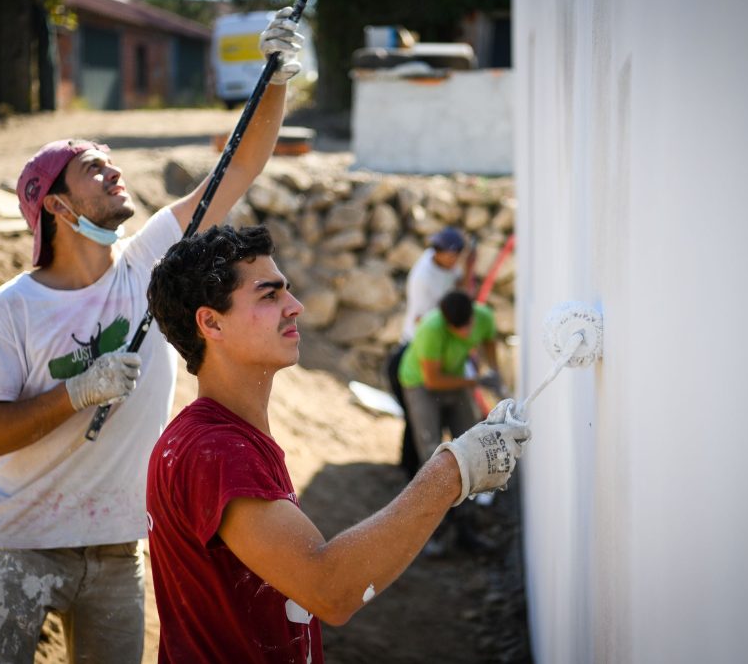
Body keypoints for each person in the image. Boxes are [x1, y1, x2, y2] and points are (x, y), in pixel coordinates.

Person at [0, 9, 304, 663]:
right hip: (21, 543)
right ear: (56, 206)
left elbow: (237, 169)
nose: (113, 168)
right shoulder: (14, 309)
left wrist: (276, 78)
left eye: (110, 160)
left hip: (119, 549)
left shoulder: (145, 264)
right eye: (92, 166)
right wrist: (76, 392)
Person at [144, 225, 531, 663]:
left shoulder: (222, 440)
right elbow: (329, 589)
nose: (295, 307)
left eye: (286, 291)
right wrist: (455, 470)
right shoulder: (213, 451)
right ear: (210, 321)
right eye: (269, 296)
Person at [397, 290, 504, 554]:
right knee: (431, 455)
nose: (467, 332)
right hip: (420, 385)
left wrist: (493, 370)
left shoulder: (483, 317)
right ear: (447, 324)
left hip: (455, 381)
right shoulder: (431, 329)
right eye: (459, 329)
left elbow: (489, 341)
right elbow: (433, 381)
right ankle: (435, 531)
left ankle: (466, 529)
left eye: (469, 325)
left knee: (470, 447)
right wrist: (476, 382)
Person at [387, 226, 470, 477]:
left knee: (419, 420)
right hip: (416, 349)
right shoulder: (424, 278)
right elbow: (424, 321)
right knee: (419, 420)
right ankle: (412, 473)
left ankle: (411, 471)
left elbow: (456, 282)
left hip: (426, 348)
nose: (454, 260)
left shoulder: (447, 266)